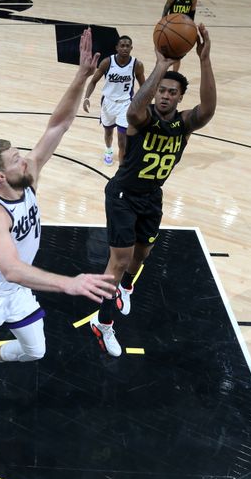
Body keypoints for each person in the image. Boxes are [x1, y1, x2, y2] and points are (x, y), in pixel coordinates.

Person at [0, 28, 116, 401]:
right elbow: (12, 269)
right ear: (1, 176)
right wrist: (69, 283)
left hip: (18, 290)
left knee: (35, 350)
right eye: (16, 158)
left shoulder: (27, 175)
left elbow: (57, 125)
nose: (26, 158)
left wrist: (80, 76)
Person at [90, 25, 217, 357]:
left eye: (172, 92)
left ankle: (126, 288)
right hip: (122, 194)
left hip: (151, 196)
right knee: (118, 260)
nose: (165, 95)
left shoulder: (184, 125)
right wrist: (161, 65)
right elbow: (133, 109)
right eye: (161, 90)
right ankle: (103, 325)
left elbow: (209, 110)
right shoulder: (141, 119)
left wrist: (204, 59)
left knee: (142, 255)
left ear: (179, 98)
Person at [82, 35, 146, 166]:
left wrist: (141, 103)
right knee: (108, 133)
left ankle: (122, 167)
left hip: (125, 105)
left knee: (122, 139)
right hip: (108, 103)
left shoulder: (137, 64)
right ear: (116, 48)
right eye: (122, 45)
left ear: (131, 48)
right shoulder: (107, 62)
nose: (125, 48)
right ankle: (109, 151)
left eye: (128, 46)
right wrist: (86, 98)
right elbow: (93, 81)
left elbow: (144, 86)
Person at [161, 0, 197, 72]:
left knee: (177, 54)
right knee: (164, 53)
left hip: (183, 30)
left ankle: (174, 74)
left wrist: (191, 31)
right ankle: (161, 72)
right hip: (171, 27)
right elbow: (164, 13)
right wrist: (163, 26)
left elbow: (192, 17)